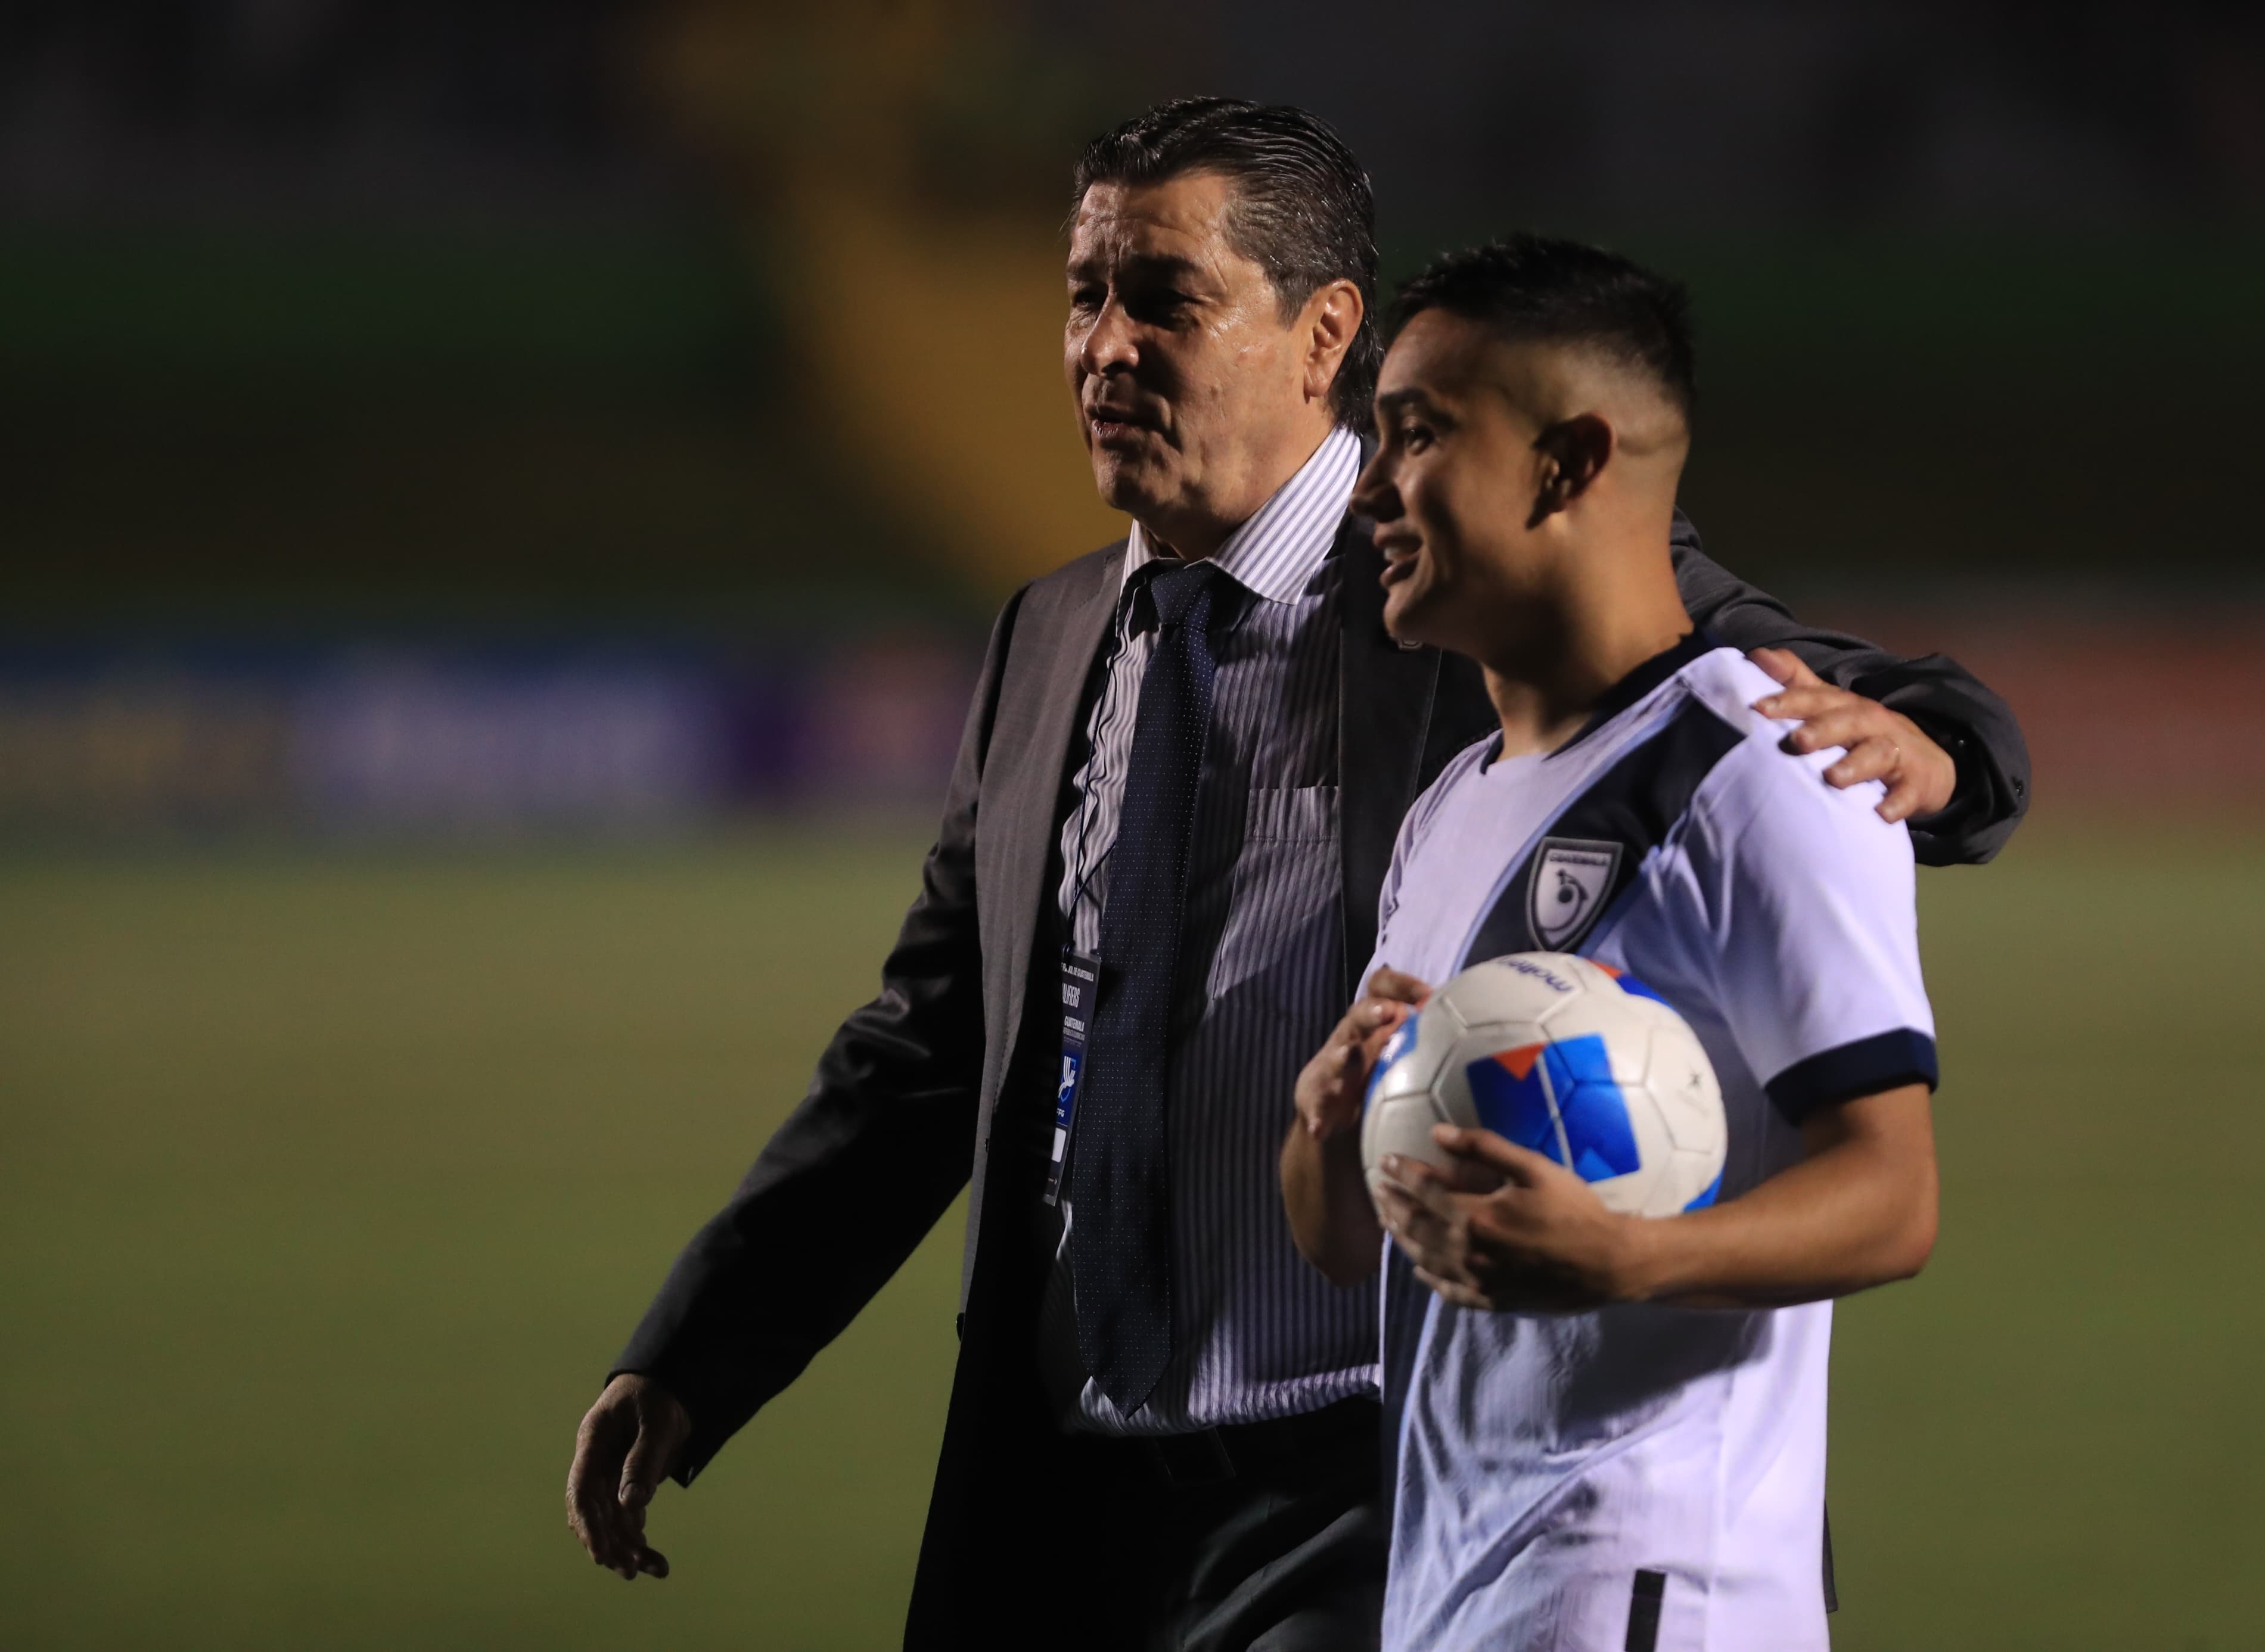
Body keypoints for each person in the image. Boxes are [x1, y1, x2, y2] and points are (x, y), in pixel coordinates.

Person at [566, 99, 2021, 1650]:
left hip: (1365, 1489)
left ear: (1323, 331)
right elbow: (928, 1047)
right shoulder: (1048, 636)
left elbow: (1734, 670)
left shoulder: (1460, 581)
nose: (1105, 346)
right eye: (1084, 294)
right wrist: (699, 1347)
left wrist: (1934, 744)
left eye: (1163, 299)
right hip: (1062, 1479)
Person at [1284, 234, 1943, 1651]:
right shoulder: (1453, 807)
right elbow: (1343, 1244)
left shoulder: (1767, 771)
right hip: (1452, 1582)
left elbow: (1894, 1197)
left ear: (1568, 462)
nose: (1371, 487)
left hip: (1642, 1578)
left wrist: (1629, 1257)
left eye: (1417, 434)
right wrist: (1325, 1127)